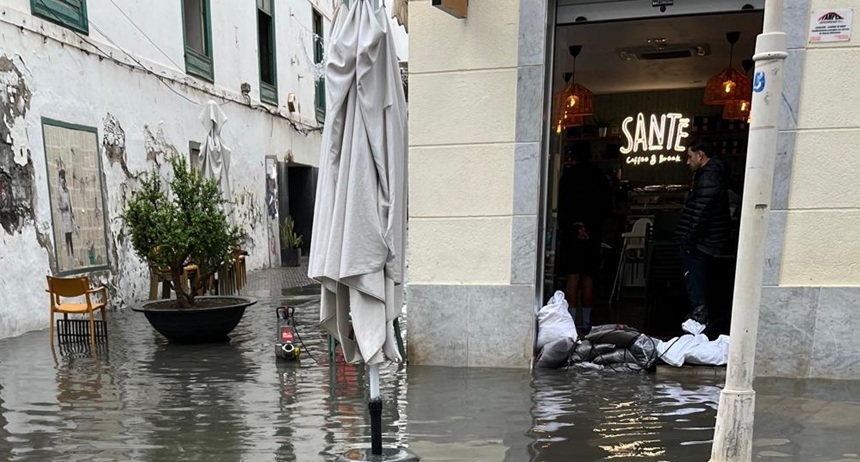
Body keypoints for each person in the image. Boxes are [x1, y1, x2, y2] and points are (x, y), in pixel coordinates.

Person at [675, 138, 731, 326]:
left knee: (696, 283)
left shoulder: (708, 177)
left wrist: (688, 242)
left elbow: (700, 212)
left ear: (700, 155)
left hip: (702, 241)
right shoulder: (713, 175)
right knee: (701, 282)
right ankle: (700, 322)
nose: (687, 161)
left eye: (690, 157)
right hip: (708, 239)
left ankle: (698, 324)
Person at [557, 141, 612, 331]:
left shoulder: (568, 176)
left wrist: (571, 225)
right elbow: (607, 205)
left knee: (573, 276)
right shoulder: (598, 176)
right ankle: (587, 323)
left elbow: (562, 205)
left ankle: (571, 322)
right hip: (592, 230)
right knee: (589, 276)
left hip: (572, 231)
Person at [58, 169, 75, 257]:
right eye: (62, 183)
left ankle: (72, 251)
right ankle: (67, 251)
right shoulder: (60, 192)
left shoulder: (67, 191)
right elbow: (59, 205)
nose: (63, 184)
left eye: (64, 182)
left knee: (70, 233)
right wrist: (63, 208)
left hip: (68, 214)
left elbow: (69, 202)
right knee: (66, 234)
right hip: (64, 214)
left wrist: (71, 212)